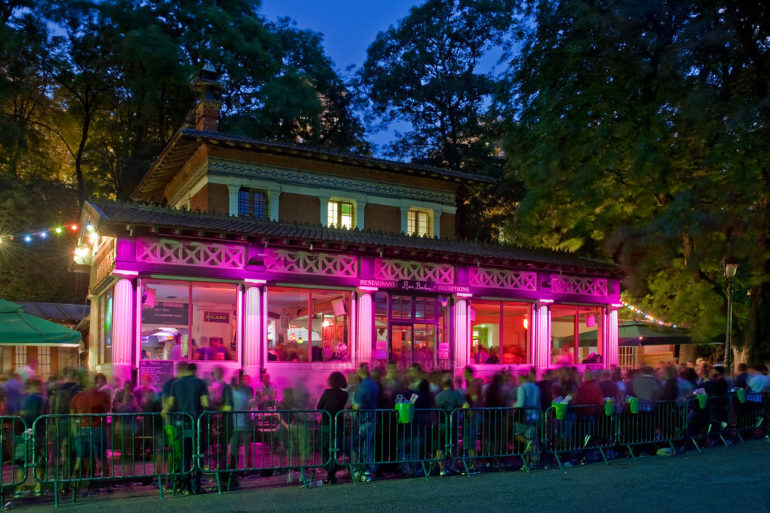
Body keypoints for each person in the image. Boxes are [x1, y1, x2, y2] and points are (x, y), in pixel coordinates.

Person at [165, 363, 210, 495]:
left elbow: (171, 403)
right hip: (196, 423)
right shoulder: (200, 383)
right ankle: (196, 485)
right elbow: (205, 403)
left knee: (184, 454)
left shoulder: (176, 384)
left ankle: (185, 486)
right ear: (194, 371)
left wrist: (166, 410)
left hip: (182, 423)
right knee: (197, 454)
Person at [70, 374, 112, 494]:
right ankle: (104, 484)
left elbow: (72, 416)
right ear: (95, 383)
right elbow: (106, 410)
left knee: (81, 459)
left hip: (82, 430)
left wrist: (75, 431)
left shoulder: (77, 397)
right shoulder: (103, 396)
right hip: (98, 429)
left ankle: (76, 485)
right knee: (102, 457)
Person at [317, 371, 348, 484]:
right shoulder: (344, 394)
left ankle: (329, 470)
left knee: (325, 447)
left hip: (326, 423)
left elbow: (319, 407)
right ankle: (332, 473)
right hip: (338, 423)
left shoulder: (327, 392)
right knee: (335, 448)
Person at [352, 364, 379, 482]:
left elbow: (357, 404)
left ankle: (362, 469)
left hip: (364, 418)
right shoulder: (373, 383)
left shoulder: (363, 385)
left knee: (357, 444)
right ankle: (367, 470)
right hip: (372, 417)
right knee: (366, 444)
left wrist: (351, 410)